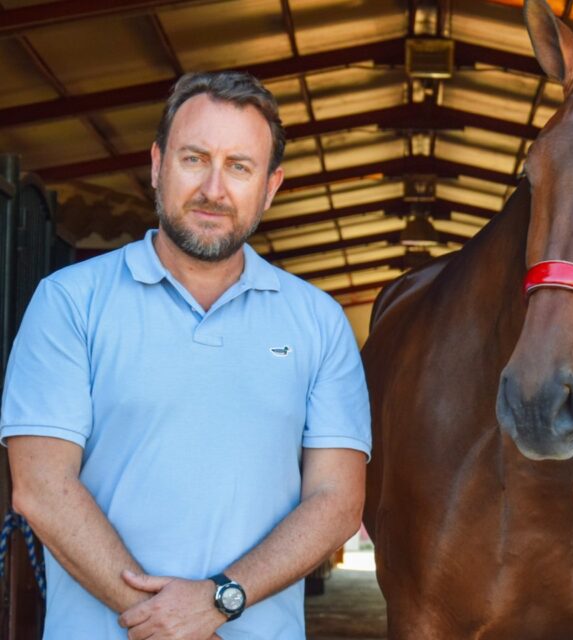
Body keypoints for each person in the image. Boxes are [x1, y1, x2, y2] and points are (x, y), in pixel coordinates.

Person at [0, 71, 371, 639]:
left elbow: (338, 500)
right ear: (156, 165)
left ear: (270, 186)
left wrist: (220, 600)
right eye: (194, 158)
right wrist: (163, 622)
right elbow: (42, 487)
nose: (214, 190)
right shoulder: (70, 302)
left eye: (239, 167)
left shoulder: (319, 322)